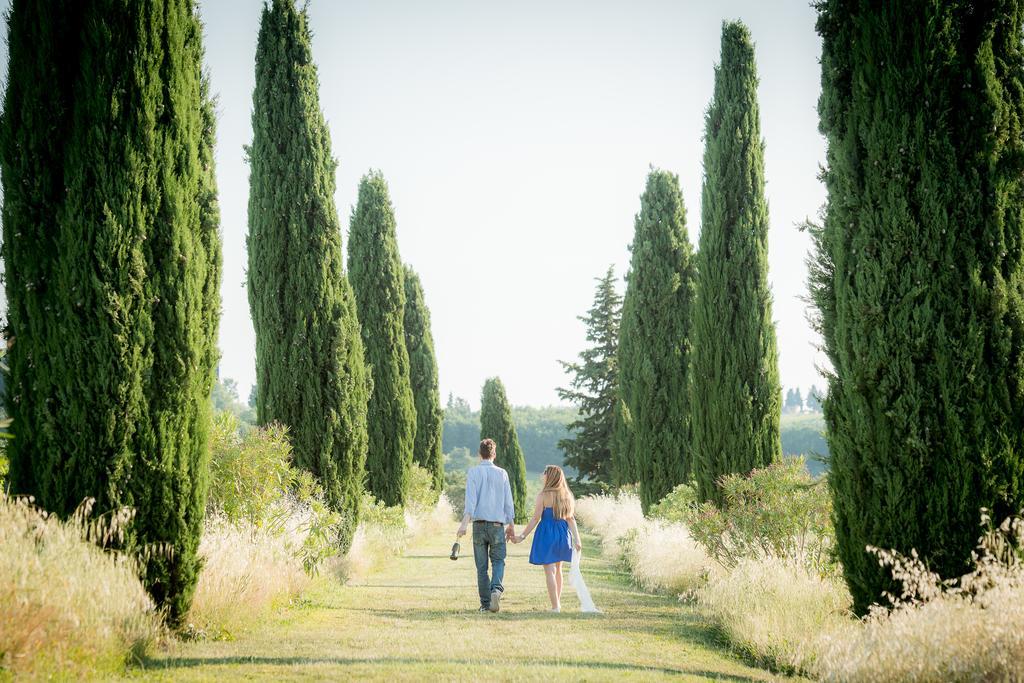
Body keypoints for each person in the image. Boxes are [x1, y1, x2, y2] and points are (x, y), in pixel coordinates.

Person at [456, 438, 516, 613]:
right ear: (494, 454)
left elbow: (471, 503)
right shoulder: (502, 473)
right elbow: (508, 503)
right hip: (497, 525)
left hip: (479, 526)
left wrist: (463, 525)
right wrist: (511, 524)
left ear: (478, 454)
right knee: (498, 561)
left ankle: (485, 604)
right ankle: (496, 590)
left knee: (481, 568)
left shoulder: (473, 472)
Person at [515, 465, 582, 612]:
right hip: (563, 534)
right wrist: (577, 540)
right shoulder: (566, 495)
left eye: (544, 472)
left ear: (549, 476)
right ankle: (557, 603)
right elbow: (571, 519)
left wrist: (522, 536)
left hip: (547, 533)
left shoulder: (543, 495)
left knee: (550, 571)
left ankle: (555, 606)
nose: (542, 474)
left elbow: (535, 519)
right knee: (558, 569)